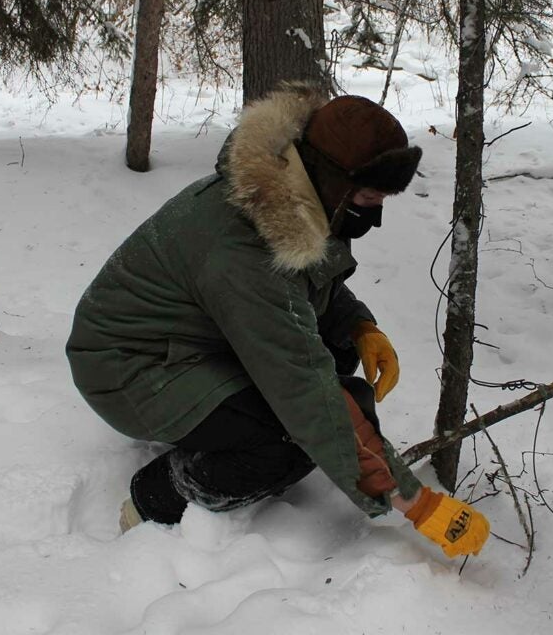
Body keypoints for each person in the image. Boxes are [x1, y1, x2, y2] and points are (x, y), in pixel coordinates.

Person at [66, 82, 489, 558]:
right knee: (287, 444)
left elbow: (306, 287)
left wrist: (358, 326)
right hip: (129, 367)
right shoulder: (244, 249)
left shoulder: (290, 193)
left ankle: (231, 424)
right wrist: (416, 502)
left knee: (335, 359)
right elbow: (303, 387)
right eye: (370, 197)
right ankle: (155, 498)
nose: (376, 215)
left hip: (189, 342)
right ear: (335, 182)